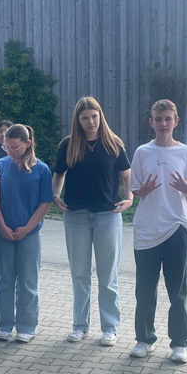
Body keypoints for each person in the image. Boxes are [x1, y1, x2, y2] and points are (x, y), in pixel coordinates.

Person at [52, 97, 132, 346]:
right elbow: (58, 174)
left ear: (100, 116)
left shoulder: (113, 143)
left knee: (108, 276)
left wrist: (129, 197)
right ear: (78, 120)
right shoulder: (68, 145)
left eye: (94, 116)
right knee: (80, 274)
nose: (91, 122)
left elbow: (127, 174)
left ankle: (109, 328)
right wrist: (55, 196)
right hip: (76, 215)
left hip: (108, 215)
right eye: (85, 118)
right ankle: (80, 326)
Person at [128, 99, 187, 362]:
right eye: (158, 119)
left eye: (168, 119)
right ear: (151, 122)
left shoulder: (186, 152)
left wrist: (186, 189)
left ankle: (179, 344)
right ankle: (144, 339)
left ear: (176, 121)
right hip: (147, 229)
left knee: (177, 290)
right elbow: (134, 188)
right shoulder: (142, 152)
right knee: (145, 289)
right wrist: (142, 191)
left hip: (176, 226)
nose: (163, 124)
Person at [0, 124, 52, 343]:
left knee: (28, 282)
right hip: (3, 233)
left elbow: (45, 203)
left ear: (27, 144)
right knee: (4, 280)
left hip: (30, 234)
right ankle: (4, 325)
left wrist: (27, 228)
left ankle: (27, 327)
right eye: (6, 147)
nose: (10, 152)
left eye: (15, 148)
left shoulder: (42, 169)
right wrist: (1, 226)